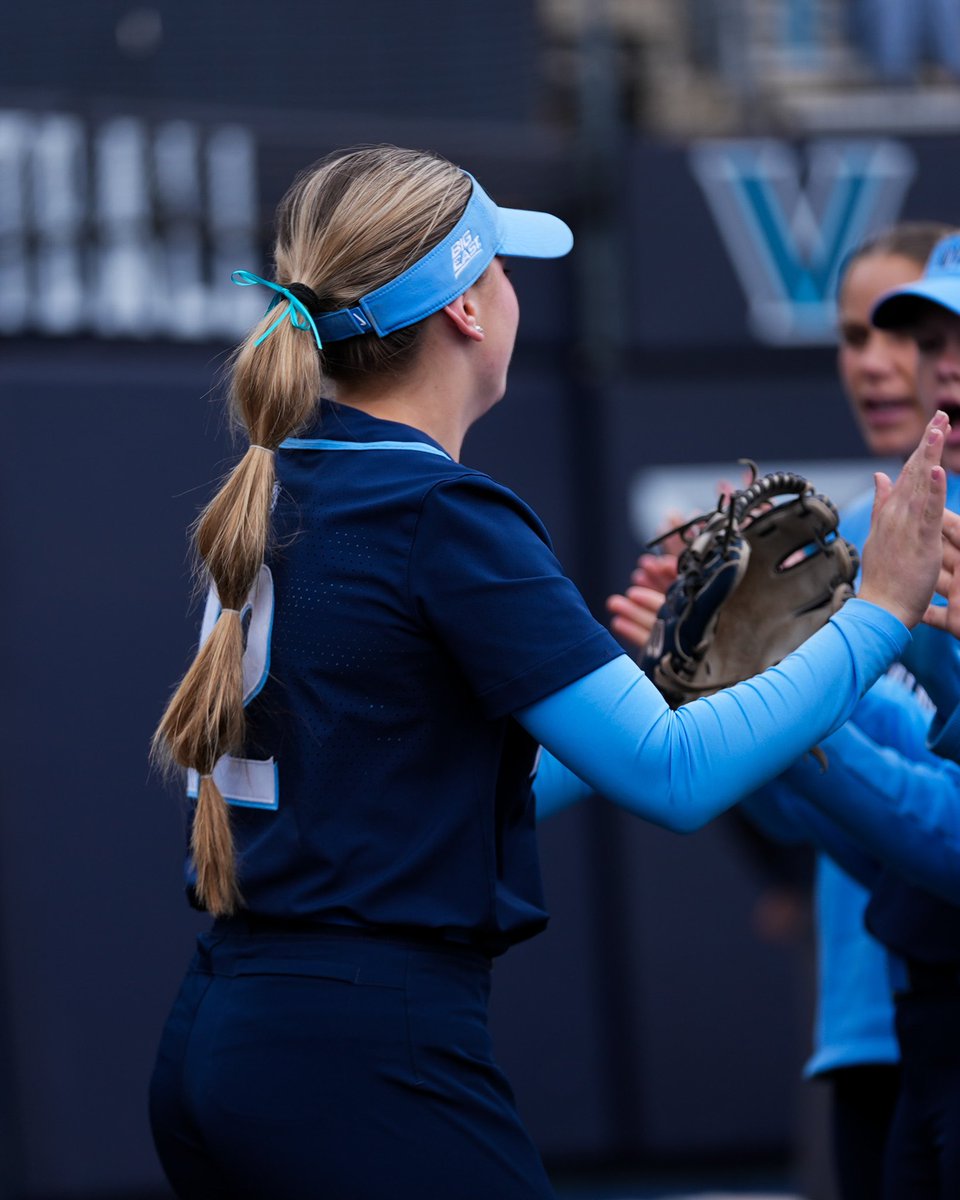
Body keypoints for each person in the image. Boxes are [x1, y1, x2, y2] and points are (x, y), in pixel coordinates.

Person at [147, 145, 946, 1200]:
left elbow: (469, 785)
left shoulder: (287, 485)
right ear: (468, 313)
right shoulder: (440, 511)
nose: (515, 290)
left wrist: (670, 676)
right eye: (504, 269)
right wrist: (881, 613)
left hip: (229, 1031)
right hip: (364, 1049)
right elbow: (675, 778)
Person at [606, 223, 952, 1200]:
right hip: (880, 1006)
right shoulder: (835, 547)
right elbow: (833, 828)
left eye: (924, 339)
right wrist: (736, 705)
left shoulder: (882, 558)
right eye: (859, 336)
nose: (886, 366)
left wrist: (784, 708)